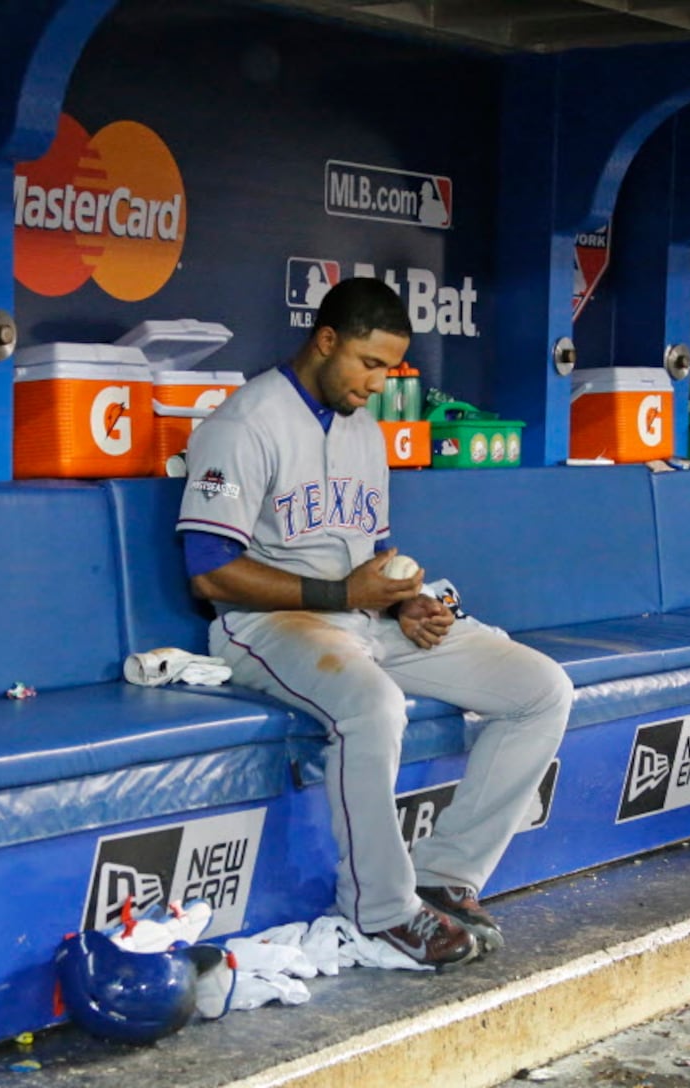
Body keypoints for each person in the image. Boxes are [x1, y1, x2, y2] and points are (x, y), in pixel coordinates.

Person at [176, 278, 574, 968]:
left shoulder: (364, 430)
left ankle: (445, 874)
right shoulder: (244, 423)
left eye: (390, 367)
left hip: (359, 615)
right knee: (373, 706)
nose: (379, 383)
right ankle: (381, 910)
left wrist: (402, 599)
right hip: (270, 624)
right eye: (370, 363)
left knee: (542, 689)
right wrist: (341, 593)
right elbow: (209, 572)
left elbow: (372, 555)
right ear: (326, 341)